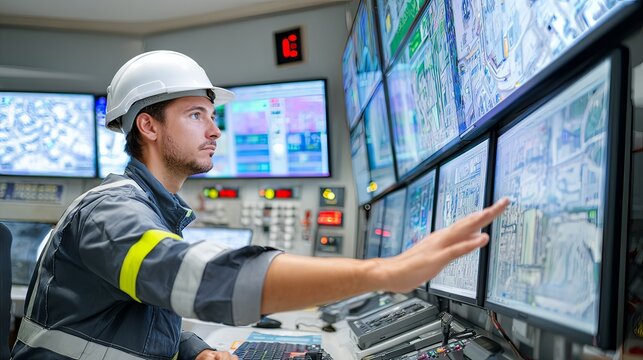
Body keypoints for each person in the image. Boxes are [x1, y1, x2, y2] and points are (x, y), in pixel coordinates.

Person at [11, 50, 509, 360]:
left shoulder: (148, 209)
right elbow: (200, 281)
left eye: (212, 115)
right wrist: (380, 273)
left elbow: (131, 321)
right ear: (148, 125)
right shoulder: (108, 213)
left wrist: (194, 350)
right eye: (196, 115)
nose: (215, 130)